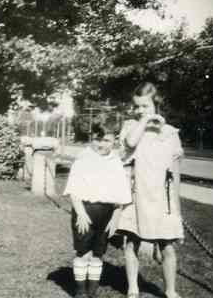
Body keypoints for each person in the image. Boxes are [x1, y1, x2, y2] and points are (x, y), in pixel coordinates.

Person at [116, 82, 184, 298]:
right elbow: (130, 142)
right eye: (137, 106)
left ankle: (170, 290)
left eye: (145, 106)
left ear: (157, 105)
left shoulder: (170, 133)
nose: (140, 110)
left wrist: (177, 208)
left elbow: (175, 173)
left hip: (161, 198)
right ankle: (133, 287)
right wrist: (144, 120)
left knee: (167, 246)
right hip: (137, 194)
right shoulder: (131, 127)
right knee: (131, 242)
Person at [63, 120, 132, 298]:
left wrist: (115, 217)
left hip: (107, 214)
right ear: (92, 138)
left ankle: (92, 291)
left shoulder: (116, 162)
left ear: (114, 141)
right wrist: (81, 213)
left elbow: (121, 194)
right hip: (85, 212)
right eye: (98, 139)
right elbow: (73, 189)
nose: (101, 144)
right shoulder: (83, 159)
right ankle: (80, 291)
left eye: (106, 140)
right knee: (83, 253)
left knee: (98, 254)